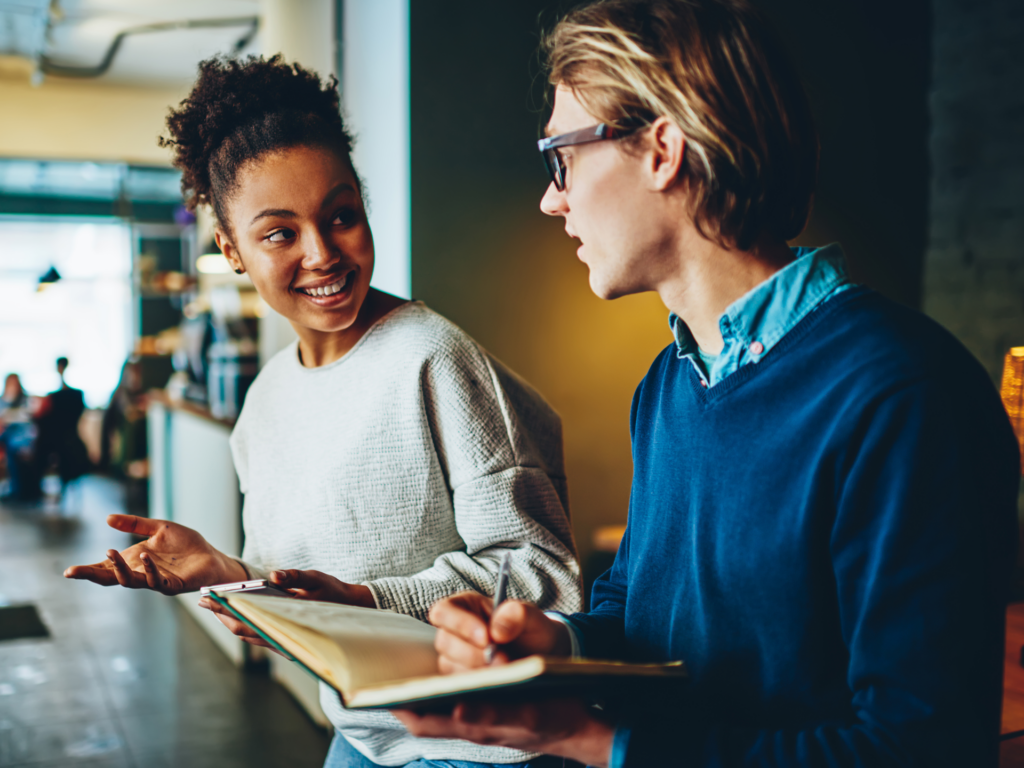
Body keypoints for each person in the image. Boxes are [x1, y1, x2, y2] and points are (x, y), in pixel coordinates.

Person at [396, 1, 1020, 766]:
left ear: (662, 149)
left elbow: (919, 747)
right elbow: (640, 613)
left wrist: (593, 740)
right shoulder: (668, 385)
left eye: (561, 157)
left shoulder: (904, 395)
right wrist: (553, 640)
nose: (550, 197)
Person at [64, 56, 580, 768]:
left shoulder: (433, 359)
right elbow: (312, 598)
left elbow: (544, 577)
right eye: (280, 232)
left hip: (478, 747)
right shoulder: (265, 404)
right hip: (365, 735)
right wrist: (226, 573)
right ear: (231, 248)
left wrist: (368, 600)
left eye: (341, 217)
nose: (322, 253)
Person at [35, 357, 90, 493]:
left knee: (37, 448)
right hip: (70, 439)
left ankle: (33, 490)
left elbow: (41, 418)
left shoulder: (57, 397)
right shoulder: (76, 395)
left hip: (56, 440)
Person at [0, 373, 40, 501]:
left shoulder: (25, 400)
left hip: (22, 438)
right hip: (7, 436)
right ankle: (14, 488)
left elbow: (26, 419)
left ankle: (18, 491)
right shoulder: (4, 399)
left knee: (15, 448)